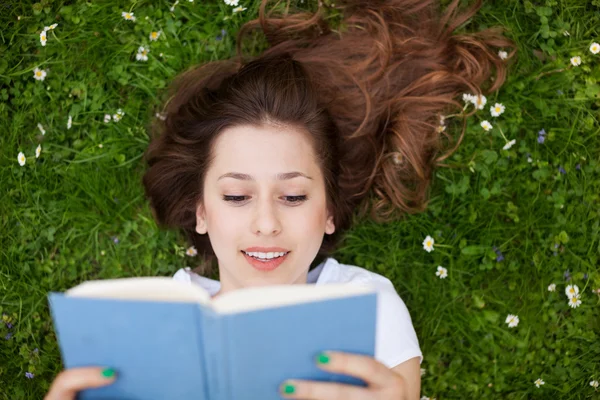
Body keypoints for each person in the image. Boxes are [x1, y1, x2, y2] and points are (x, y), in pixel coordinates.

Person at [44, 0, 513, 399]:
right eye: (235, 195)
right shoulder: (155, 321)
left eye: (292, 195)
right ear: (201, 211)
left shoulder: (367, 303)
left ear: (329, 211)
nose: (266, 223)